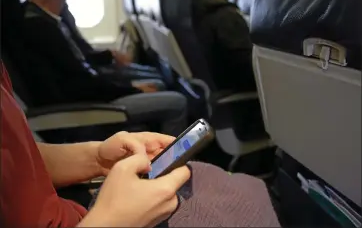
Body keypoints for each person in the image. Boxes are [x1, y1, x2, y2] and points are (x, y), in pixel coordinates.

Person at [1, 61, 280, 227]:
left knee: (226, 184)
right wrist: (114, 222)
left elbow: (14, 155)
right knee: (244, 201)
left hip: (79, 213)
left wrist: (96, 158)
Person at [9, 0, 163, 102]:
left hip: (91, 90)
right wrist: (133, 90)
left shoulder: (51, 18)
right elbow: (79, 84)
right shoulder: (38, 28)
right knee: (176, 101)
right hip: (82, 107)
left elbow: (79, 63)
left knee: (158, 83)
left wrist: (110, 56)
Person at [191, 0, 256, 92]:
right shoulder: (224, 15)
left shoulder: (189, 9)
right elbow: (252, 72)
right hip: (241, 98)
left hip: (210, 91)